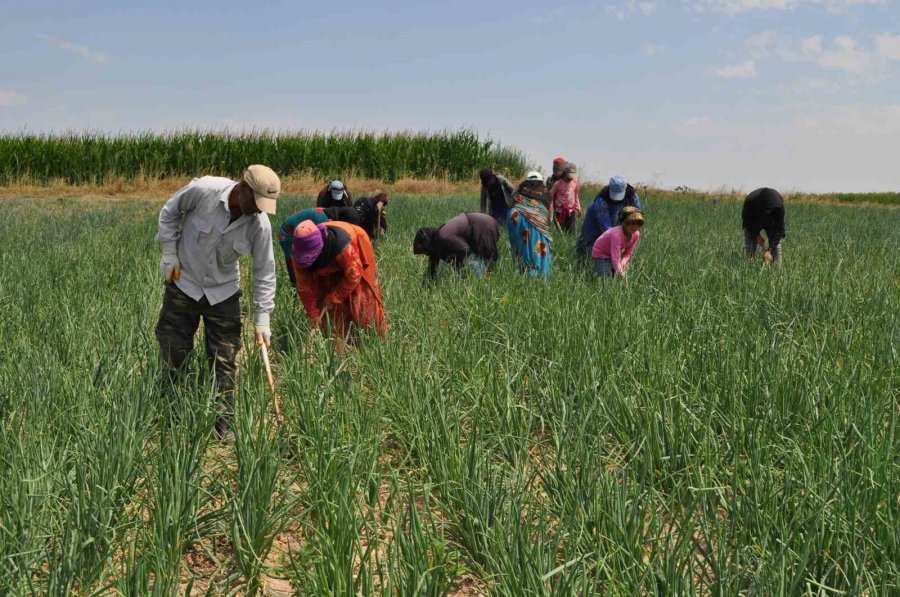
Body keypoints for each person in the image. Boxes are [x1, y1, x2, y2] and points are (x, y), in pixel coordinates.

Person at [155, 165, 279, 438]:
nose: (259, 210)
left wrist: (263, 316)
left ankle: (223, 426)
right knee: (173, 351)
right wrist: (169, 253)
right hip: (183, 282)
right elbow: (169, 213)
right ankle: (172, 416)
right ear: (244, 188)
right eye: (257, 202)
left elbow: (264, 270)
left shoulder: (259, 224)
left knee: (224, 360)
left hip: (223, 293)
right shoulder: (204, 191)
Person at [291, 220, 387, 349]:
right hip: (329, 268)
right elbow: (304, 287)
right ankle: (338, 346)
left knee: (362, 299)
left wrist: (334, 297)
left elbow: (354, 274)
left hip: (355, 252)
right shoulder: (298, 255)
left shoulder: (340, 244)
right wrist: (313, 313)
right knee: (326, 306)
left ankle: (370, 344)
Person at [278, 206, 362, 285]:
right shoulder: (325, 222)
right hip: (287, 233)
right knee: (295, 262)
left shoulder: (330, 216)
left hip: (299, 232)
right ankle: (295, 288)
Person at [413, 212, 500, 280]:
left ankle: (486, 285)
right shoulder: (437, 240)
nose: (426, 254)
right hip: (479, 223)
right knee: (480, 267)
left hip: (483, 226)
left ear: (427, 243)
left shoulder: (443, 237)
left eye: (424, 250)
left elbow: (466, 251)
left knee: (482, 265)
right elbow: (432, 266)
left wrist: (464, 272)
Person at [576, 174, 641, 258]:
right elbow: (607, 230)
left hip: (616, 233)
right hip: (595, 231)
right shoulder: (601, 201)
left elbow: (636, 219)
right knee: (589, 257)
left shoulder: (633, 197)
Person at [508, 171, 552, 279]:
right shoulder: (545, 192)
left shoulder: (520, 189)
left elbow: (510, 202)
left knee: (521, 246)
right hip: (538, 220)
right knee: (539, 250)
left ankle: (522, 275)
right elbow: (550, 216)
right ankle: (539, 278)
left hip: (516, 215)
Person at [591, 206, 644, 278]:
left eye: (638, 223)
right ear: (624, 223)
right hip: (601, 254)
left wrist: (622, 263)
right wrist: (621, 273)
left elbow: (628, 252)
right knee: (606, 279)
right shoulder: (617, 234)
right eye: (631, 223)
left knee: (621, 271)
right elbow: (615, 258)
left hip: (615, 253)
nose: (634, 226)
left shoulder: (636, 234)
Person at [742, 187, 785, 264]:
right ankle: (748, 266)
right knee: (750, 246)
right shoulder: (750, 202)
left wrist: (770, 250)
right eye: (766, 209)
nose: (768, 211)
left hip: (772, 222)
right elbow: (747, 223)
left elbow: (779, 230)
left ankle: (778, 270)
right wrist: (756, 235)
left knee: (777, 248)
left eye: (770, 209)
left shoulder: (778, 206)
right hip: (754, 220)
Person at [550, 161, 581, 233]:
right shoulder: (558, 183)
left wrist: (578, 207)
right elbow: (550, 195)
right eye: (568, 177)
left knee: (572, 231)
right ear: (564, 173)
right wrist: (551, 207)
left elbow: (576, 196)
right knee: (561, 231)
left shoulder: (575, 182)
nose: (570, 179)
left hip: (571, 211)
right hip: (560, 211)